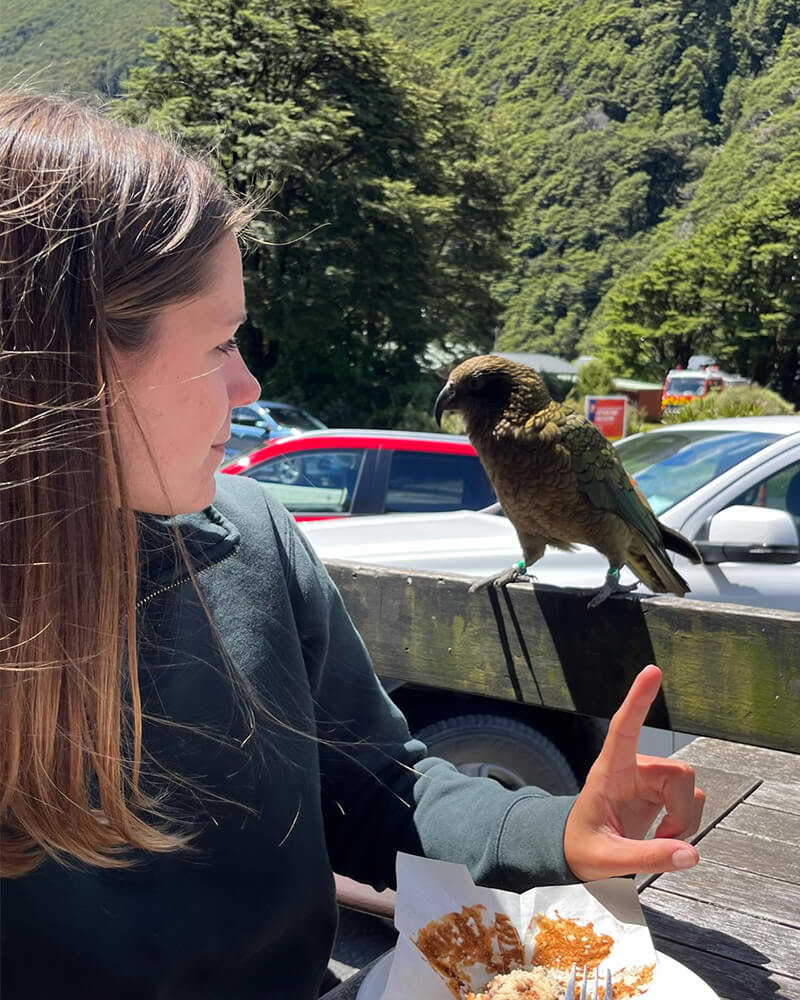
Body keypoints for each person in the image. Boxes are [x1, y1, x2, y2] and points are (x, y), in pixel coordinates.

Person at [0, 92, 704, 999]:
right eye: (219, 344)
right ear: (66, 367)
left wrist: (559, 832)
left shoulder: (252, 537)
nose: (248, 386)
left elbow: (376, 786)